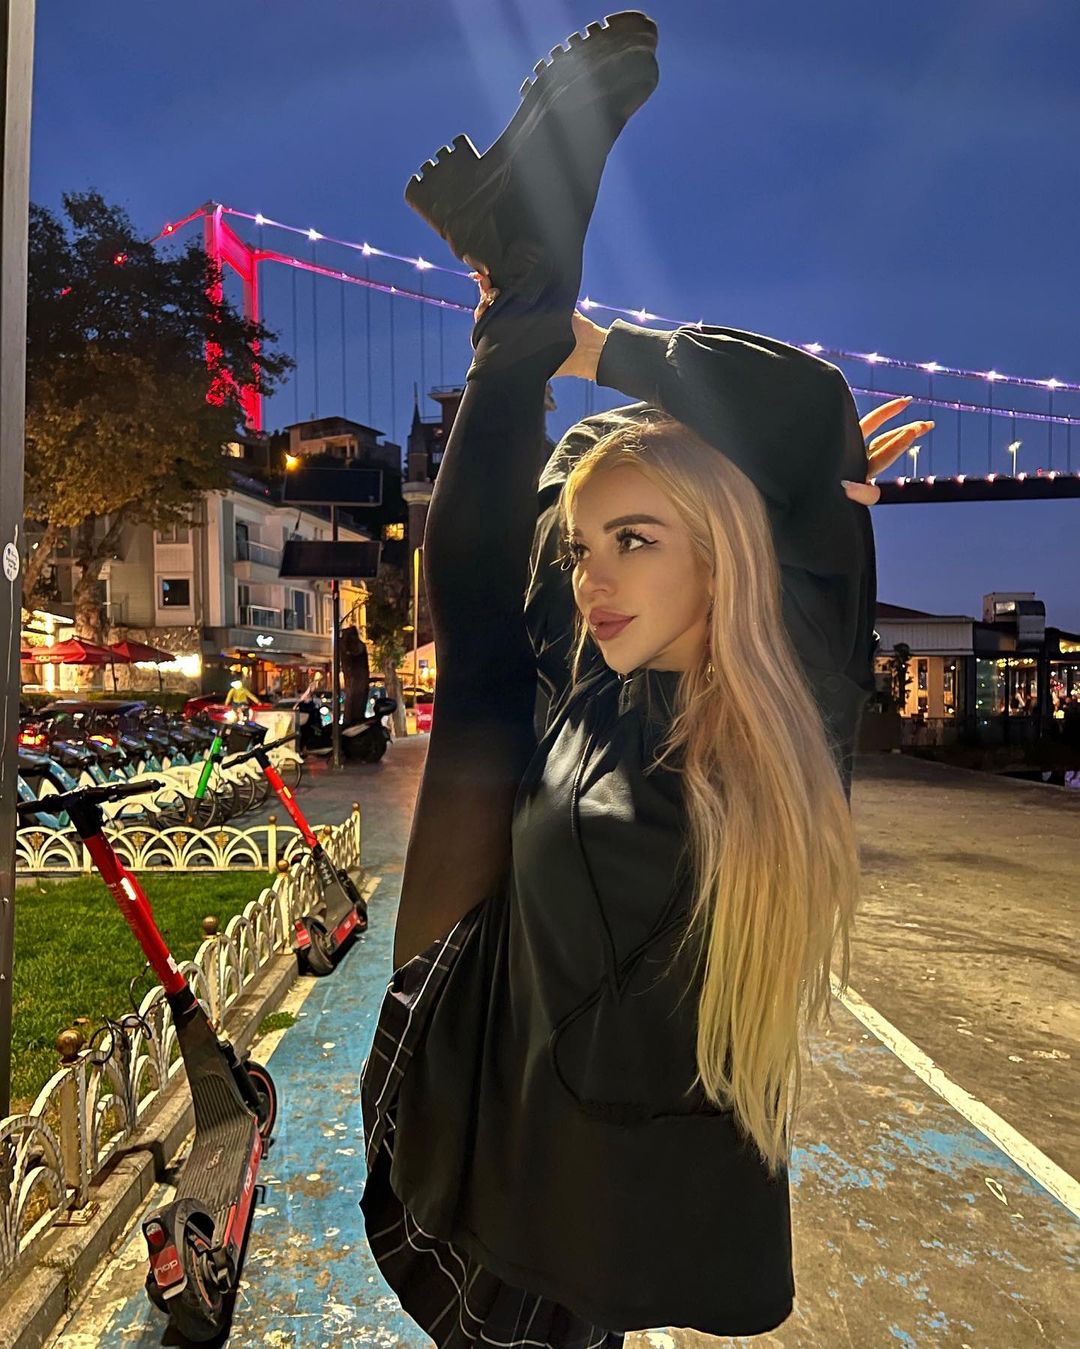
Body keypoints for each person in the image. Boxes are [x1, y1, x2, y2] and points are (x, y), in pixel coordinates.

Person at [358, 12, 925, 1346]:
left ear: (722, 554)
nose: (592, 577)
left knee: (486, 682)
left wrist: (589, 348)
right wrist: (552, 344)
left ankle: (525, 272)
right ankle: (522, 269)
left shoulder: (786, 715)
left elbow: (806, 413)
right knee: (485, 673)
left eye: (634, 540)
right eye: (586, 546)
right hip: (492, 1110)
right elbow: (481, 584)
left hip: (553, 1220)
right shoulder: (593, 691)